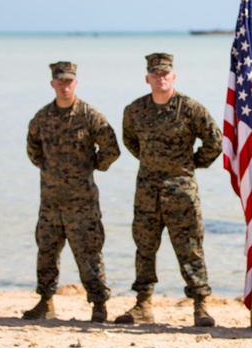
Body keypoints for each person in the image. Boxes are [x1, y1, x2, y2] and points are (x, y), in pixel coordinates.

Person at [116, 53, 222, 327]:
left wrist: (190, 164)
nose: (160, 78)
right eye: (155, 74)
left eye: (165, 74)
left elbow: (214, 140)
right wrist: (151, 162)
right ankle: (142, 305)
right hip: (147, 190)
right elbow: (130, 140)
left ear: (173, 76)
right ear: (147, 78)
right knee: (144, 247)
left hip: (181, 191)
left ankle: (200, 305)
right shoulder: (135, 110)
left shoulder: (189, 108)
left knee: (191, 248)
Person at [24, 61, 121, 322]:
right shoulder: (43, 117)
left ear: (75, 83)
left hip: (83, 203)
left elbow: (111, 147)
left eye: (69, 81)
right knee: (46, 253)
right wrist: (47, 169)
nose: (64, 85)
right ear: (52, 84)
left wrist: (93, 166)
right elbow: (32, 147)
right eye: (60, 81)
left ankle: (99, 304)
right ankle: (45, 302)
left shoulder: (89, 115)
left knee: (89, 254)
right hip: (51, 202)